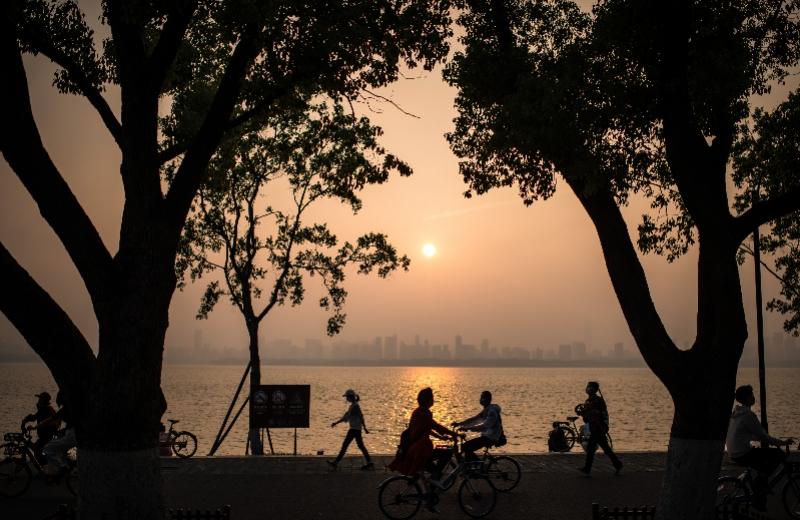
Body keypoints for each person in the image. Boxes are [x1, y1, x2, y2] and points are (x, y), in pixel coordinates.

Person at [388, 387, 458, 513]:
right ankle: (432, 490)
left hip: (414, 449)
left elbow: (426, 428)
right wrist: (453, 434)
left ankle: (431, 495)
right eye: (432, 398)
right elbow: (434, 425)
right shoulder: (425, 413)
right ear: (427, 400)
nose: (434, 400)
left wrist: (441, 436)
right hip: (420, 451)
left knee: (432, 469)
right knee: (445, 455)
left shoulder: (417, 412)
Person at [726, 384, 793, 510]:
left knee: (764, 459)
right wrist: (783, 443)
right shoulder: (748, 416)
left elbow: (748, 435)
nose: (753, 397)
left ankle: (760, 490)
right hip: (743, 453)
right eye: (751, 394)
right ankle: (760, 486)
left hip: (734, 452)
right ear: (746, 398)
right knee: (778, 455)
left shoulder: (736, 413)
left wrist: (771, 440)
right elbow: (764, 437)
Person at [577, 381, 622, 475]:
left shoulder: (598, 400)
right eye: (588, 387)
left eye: (589, 387)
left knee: (592, 448)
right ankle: (617, 464)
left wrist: (586, 412)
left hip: (599, 427)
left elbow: (598, 414)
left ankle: (587, 469)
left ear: (594, 389)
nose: (588, 389)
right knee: (604, 448)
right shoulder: (588, 401)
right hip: (594, 427)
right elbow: (587, 419)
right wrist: (583, 413)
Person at [328, 389, 374, 470]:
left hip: (354, 429)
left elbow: (348, 417)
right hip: (356, 429)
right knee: (360, 446)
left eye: (347, 397)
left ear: (350, 397)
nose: (346, 399)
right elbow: (354, 417)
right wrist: (364, 428)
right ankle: (369, 462)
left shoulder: (355, 406)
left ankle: (336, 462)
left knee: (345, 445)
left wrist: (336, 423)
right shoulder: (353, 405)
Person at [452, 390, 503, 461]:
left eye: (483, 398)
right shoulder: (487, 409)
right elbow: (474, 419)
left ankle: (476, 465)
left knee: (466, 446)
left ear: (488, 400)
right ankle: (471, 466)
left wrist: (467, 428)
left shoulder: (492, 412)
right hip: (486, 436)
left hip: (491, 438)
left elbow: (484, 426)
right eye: (481, 397)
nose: (481, 400)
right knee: (465, 446)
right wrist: (459, 424)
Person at [41, 390, 77, 477]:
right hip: (71, 434)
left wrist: (37, 426)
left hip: (71, 436)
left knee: (47, 448)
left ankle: (62, 467)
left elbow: (51, 419)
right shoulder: (71, 408)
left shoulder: (65, 409)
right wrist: (63, 430)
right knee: (59, 450)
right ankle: (64, 466)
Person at [23, 392, 58, 465]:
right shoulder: (42, 409)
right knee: (37, 451)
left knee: (37, 452)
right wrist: (26, 419)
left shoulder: (47, 410)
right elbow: (34, 417)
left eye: (39, 399)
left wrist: (33, 427)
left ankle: (46, 468)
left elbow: (44, 423)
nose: (38, 401)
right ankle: (45, 467)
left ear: (43, 400)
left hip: (47, 436)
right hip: (44, 436)